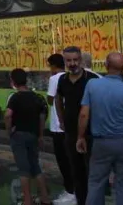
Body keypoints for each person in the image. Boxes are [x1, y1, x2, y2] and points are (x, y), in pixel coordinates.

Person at [77, 52, 123, 205]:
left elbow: (84, 114)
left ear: (105, 65)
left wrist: (80, 137)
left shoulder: (92, 85)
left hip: (100, 142)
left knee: (95, 183)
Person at [57, 46, 98, 205]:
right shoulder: (62, 79)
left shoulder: (91, 79)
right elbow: (58, 99)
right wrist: (61, 119)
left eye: (75, 60)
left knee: (92, 171)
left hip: (90, 132)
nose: (72, 63)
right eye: (69, 60)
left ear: (80, 60)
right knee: (76, 171)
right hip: (71, 132)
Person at [7, 68, 52, 205]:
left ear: (13, 82)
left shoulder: (15, 98)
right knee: (35, 166)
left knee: (23, 169)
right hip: (33, 135)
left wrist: (9, 131)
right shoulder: (37, 97)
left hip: (18, 136)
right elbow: (42, 117)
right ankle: (45, 199)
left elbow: (8, 115)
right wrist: (40, 135)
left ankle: (27, 201)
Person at [47, 54, 75, 205]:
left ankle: (70, 191)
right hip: (69, 125)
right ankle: (73, 190)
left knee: (63, 161)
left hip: (58, 126)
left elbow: (51, 99)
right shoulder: (70, 77)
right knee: (71, 160)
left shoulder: (55, 78)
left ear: (53, 65)